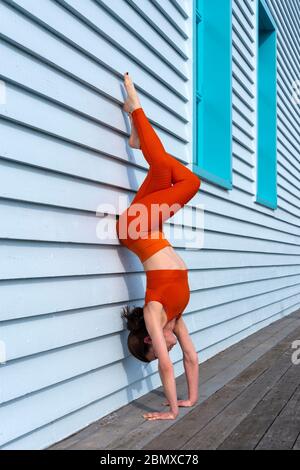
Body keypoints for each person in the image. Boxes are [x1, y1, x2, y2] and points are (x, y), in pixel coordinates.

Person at [116, 73, 201, 421]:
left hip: (134, 229)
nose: (167, 346)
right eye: (166, 346)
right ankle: (138, 133)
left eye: (156, 351)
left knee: (189, 181)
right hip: (148, 227)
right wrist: (190, 401)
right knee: (164, 169)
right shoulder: (175, 318)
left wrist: (168, 410)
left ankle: (135, 107)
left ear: (149, 341)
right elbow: (190, 358)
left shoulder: (155, 314)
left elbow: (167, 367)